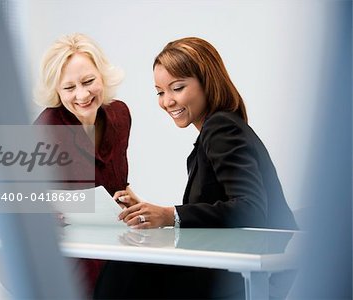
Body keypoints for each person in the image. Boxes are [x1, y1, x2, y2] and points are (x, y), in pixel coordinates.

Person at [94, 37, 297, 299]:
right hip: (236, 266)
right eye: (160, 92)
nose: (167, 101)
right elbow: (215, 209)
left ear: (206, 82)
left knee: (127, 270)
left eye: (177, 88)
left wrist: (170, 215)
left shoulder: (221, 128)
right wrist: (147, 209)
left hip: (255, 274)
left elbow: (251, 209)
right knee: (130, 268)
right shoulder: (214, 132)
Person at [33, 33, 131, 298]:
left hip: (116, 242)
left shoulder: (120, 115)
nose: (83, 94)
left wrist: (127, 196)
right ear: (56, 91)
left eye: (89, 81)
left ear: (102, 76)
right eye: (69, 87)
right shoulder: (47, 128)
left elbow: (116, 181)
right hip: (70, 251)